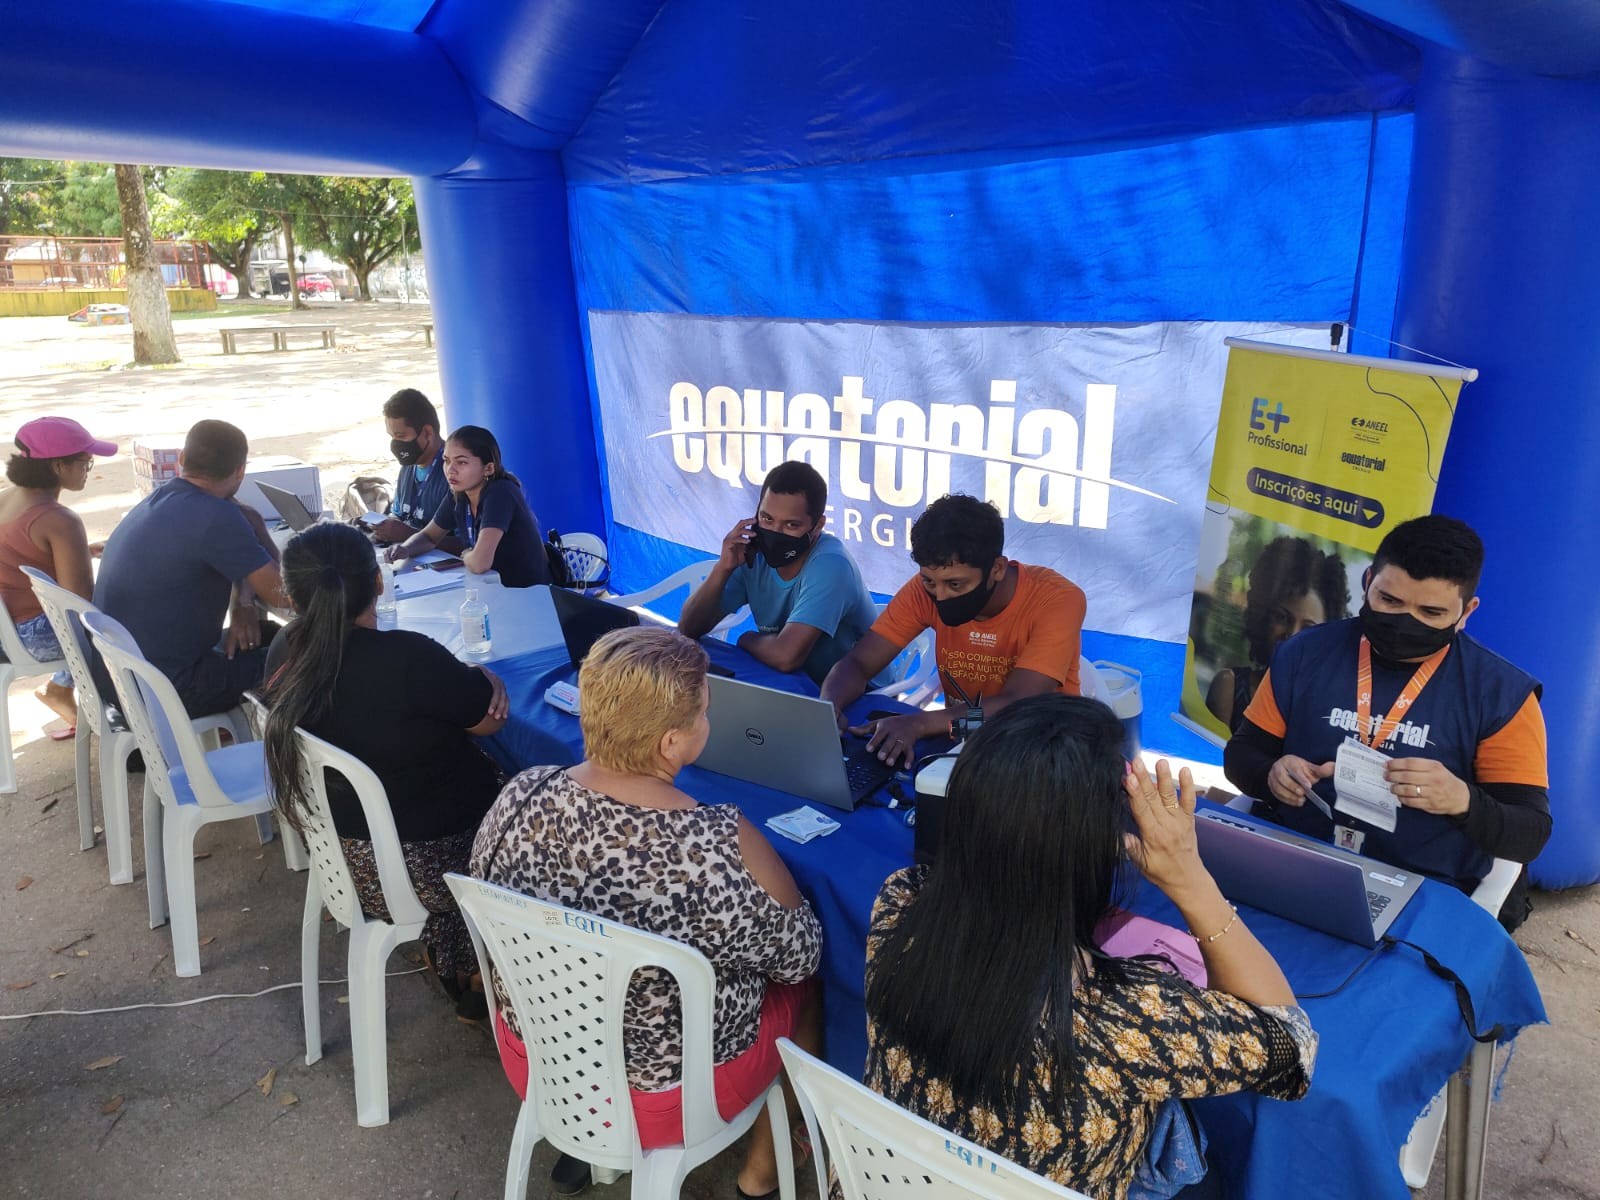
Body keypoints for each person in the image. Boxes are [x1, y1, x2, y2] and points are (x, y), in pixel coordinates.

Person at [861, 695, 1316, 1200]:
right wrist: (1189, 878)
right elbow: (1292, 1049)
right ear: (1103, 844)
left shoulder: (899, 903)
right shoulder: (1129, 1019)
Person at [471, 626, 822, 1199]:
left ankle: (586, 1149)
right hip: (668, 1100)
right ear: (671, 744)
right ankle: (762, 1172)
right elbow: (799, 956)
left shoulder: (524, 792)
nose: (708, 723)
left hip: (537, 1057)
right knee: (810, 989)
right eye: (704, 714)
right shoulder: (717, 845)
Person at [1223, 515, 1550, 923]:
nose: (1405, 621)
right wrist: (1271, 773)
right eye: (1389, 601)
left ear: (1466, 612)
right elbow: (1242, 755)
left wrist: (1462, 800)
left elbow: (1529, 833)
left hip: (1423, 889)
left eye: (1431, 612)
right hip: (1298, 858)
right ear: (1368, 582)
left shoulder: (1501, 695)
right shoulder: (1303, 654)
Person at [263, 523, 508, 1014]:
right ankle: (489, 964)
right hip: (430, 865)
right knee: (528, 800)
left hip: (344, 857)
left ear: (291, 593)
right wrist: (485, 676)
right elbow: (487, 723)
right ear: (378, 582)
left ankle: (465, 957)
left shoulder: (284, 651)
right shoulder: (407, 659)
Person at [820, 493, 1086, 767]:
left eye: (956, 584)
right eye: (930, 582)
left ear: (996, 568)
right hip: (962, 737)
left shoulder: (1057, 599)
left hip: (1045, 749)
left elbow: (1019, 705)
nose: (941, 595)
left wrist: (921, 724)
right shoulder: (923, 590)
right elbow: (858, 663)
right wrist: (828, 708)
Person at [94, 419, 290, 717]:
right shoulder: (218, 516)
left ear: (182, 460)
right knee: (308, 654)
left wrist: (244, 601)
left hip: (120, 679)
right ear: (240, 472)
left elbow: (235, 558)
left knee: (275, 634)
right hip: (170, 689)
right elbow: (284, 596)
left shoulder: (160, 498)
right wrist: (258, 527)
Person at [677, 461, 877, 684]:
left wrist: (747, 638)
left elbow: (786, 657)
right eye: (767, 519)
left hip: (860, 693)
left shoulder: (832, 565)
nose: (774, 533)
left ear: (818, 525)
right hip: (791, 683)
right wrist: (723, 568)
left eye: (791, 525)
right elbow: (689, 627)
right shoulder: (751, 554)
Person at [0, 417, 119, 731]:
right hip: (35, 636)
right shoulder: (59, 519)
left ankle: (60, 688)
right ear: (57, 467)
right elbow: (80, 605)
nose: (87, 470)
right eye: (84, 463)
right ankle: (124, 712)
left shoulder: (7, 497)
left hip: (7, 626)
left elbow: (18, 554)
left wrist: (77, 551)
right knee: (119, 611)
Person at [1205, 536, 1349, 732]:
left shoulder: (1331, 713)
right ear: (1263, 616)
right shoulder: (1229, 688)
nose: (1292, 635)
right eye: (1282, 618)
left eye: (1309, 628)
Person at [386, 425, 550, 588]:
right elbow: (429, 537)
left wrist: (466, 555)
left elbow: (479, 563)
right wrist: (405, 548)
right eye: (446, 460)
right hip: (490, 586)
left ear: (488, 468)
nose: (450, 470)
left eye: (462, 462)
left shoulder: (501, 493)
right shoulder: (459, 494)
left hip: (527, 594)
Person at [367, 387, 457, 547]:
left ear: (428, 432)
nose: (395, 444)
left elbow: (467, 545)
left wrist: (408, 535)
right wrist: (385, 527)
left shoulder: (454, 472)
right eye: (392, 436)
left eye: (401, 436)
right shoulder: (409, 467)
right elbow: (398, 514)